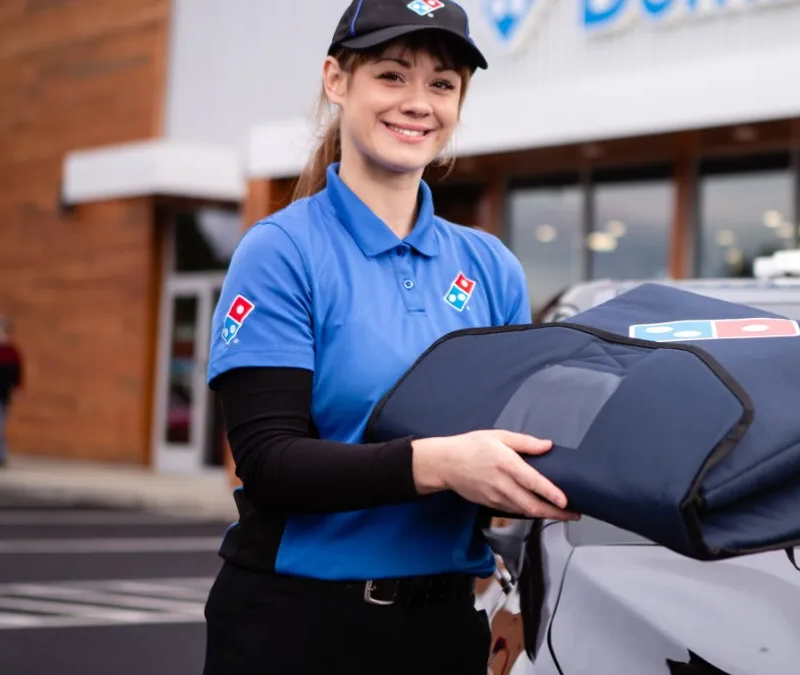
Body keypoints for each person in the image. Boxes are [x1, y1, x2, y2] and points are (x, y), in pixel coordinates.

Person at [201, 2, 578, 673]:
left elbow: (516, 447)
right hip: (297, 626)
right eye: (392, 75)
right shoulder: (281, 251)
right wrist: (442, 464)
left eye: (442, 83)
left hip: (446, 629)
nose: (418, 103)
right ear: (336, 80)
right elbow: (269, 461)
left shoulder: (490, 265)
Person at [0, 315, 22, 468]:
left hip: (4, 395)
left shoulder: (13, 353)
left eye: (5, 333)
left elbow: (17, 373)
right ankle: (0, 455)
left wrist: (17, 388)